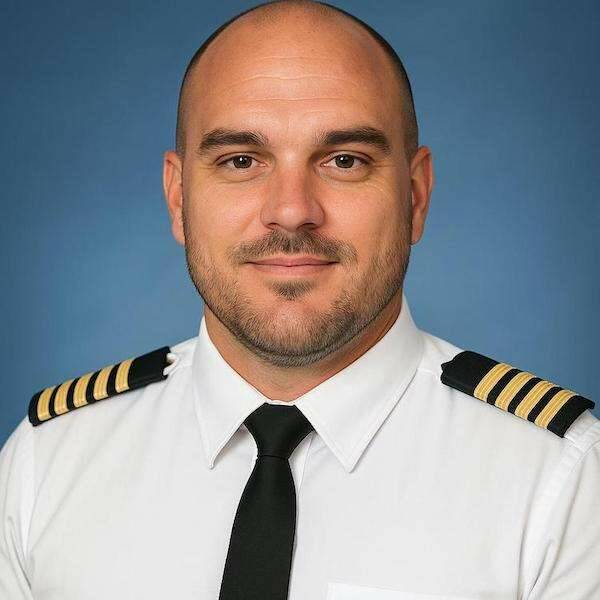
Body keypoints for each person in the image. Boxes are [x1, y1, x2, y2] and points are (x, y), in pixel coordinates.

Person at [1, 0, 598, 598]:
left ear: (415, 196)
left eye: (345, 161)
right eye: (241, 160)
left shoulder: (563, 484)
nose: (291, 210)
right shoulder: (46, 463)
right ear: (178, 198)